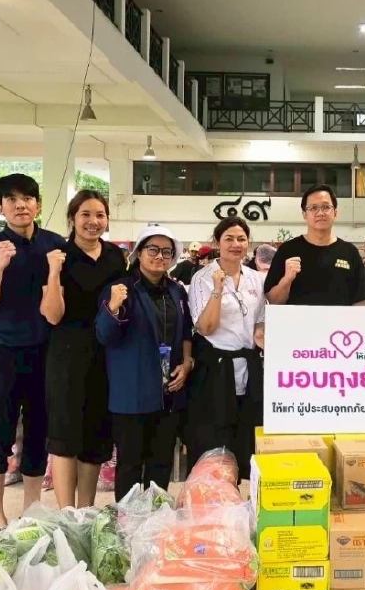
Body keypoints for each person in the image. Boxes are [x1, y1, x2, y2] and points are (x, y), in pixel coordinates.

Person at [0, 173, 67, 530]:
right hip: (2, 354)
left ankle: (32, 509)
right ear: (0, 208)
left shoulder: (55, 246)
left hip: (46, 354)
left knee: (40, 432)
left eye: (27, 197)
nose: (20, 204)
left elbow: (57, 312)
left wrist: (55, 271)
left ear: (37, 204)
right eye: (10, 199)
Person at [40, 190, 125, 509]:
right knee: (64, 434)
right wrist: (53, 271)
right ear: (72, 218)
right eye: (85, 214)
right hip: (66, 354)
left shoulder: (116, 257)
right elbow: (51, 315)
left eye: (100, 215)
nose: (93, 221)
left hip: (105, 355)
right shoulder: (57, 254)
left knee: (96, 433)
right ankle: (66, 512)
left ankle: (86, 510)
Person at [97, 227, 193, 499]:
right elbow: (104, 335)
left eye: (166, 251)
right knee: (130, 464)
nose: (159, 256)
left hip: (169, 391)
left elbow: (186, 331)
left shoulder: (176, 291)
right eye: (152, 249)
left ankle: (156, 519)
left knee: (161, 461)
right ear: (139, 253)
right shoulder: (121, 289)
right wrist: (113, 307)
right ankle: (127, 521)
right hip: (132, 392)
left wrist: (187, 364)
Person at [186, 217, 266, 474]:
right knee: (214, 445)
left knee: (246, 442)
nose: (235, 244)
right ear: (217, 243)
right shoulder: (203, 278)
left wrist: (261, 333)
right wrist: (218, 288)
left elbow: (261, 319)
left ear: (248, 243)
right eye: (229, 238)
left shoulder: (256, 279)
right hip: (214, 370)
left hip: (249, 367)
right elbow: (206, 327)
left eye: (241, 239)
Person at [265, 185, 365, 307]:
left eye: (326, 207)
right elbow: (272, 300)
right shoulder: (288, 250)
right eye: (313, 208)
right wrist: (287, 279)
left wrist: (351, 324)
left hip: (338, 325)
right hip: (297, 325)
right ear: (304, 214)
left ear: (335, 213)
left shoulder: (349, 252)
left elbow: (361, 299)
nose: (320, 213)